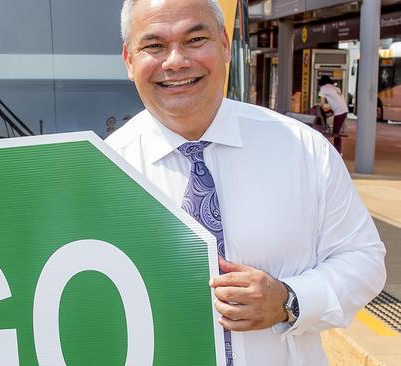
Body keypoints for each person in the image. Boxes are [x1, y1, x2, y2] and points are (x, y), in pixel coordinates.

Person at [106, 0, 386, 365]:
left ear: (225, 44)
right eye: (154, 45)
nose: (175, 61)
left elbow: (364, 259)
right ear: (129, 59)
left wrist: (289, 299)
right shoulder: (104, 171)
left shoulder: (302, 149)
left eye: (195, 39)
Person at [318, 75, 349, 154]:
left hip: (339, 111)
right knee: (337, 131)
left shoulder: (323, 88)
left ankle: (337, 152)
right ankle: (337, 151)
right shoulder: (336, 88)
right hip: (344, 110)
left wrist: (323, 109)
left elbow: (322, 104)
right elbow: (337, 101)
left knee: (336, 133)